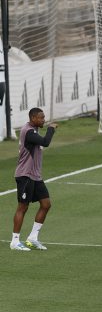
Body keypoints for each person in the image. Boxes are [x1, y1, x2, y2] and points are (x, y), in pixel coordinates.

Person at [11, 107, 57, 251]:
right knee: (23, 207)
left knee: (46, 204)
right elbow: (45, 142)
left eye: (44, 118)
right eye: (41, 118)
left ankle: (32, 237)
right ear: (33, 118)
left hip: (35, 176)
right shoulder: (28, 131)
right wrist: (51, 129)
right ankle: (15, 241)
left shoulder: (34, 130)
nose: (43, 120)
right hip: (25, 175)